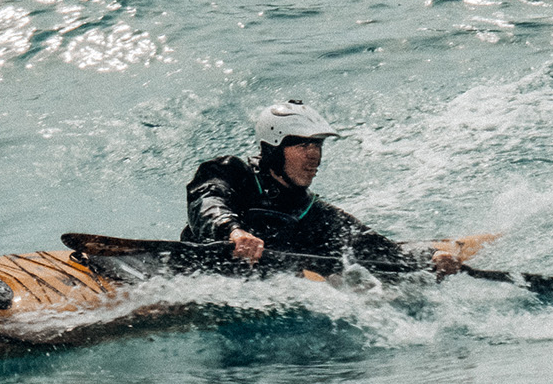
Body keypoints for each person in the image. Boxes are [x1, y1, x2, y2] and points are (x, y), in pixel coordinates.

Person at [182, 100, 461, 276]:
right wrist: (233, 231)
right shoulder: (230, 172)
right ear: (275, 149)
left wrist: (430, 257)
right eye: (303, 145)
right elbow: (206, 201)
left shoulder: (311, 212)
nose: (314, 155)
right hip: (195, 268)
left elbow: (370, 244)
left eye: (317, 145)